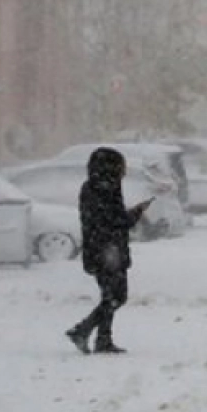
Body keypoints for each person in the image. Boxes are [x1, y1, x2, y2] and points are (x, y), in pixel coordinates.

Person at [66, 147, 151, 355]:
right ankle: (83, 330)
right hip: (107, 252)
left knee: (110, 296)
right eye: (121, 165)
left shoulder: (93, 186)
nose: (124, 170)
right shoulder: (105, 188)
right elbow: (116, 221)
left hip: (100, 249)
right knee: (116, 296)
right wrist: (137, 212)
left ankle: (102, 339)